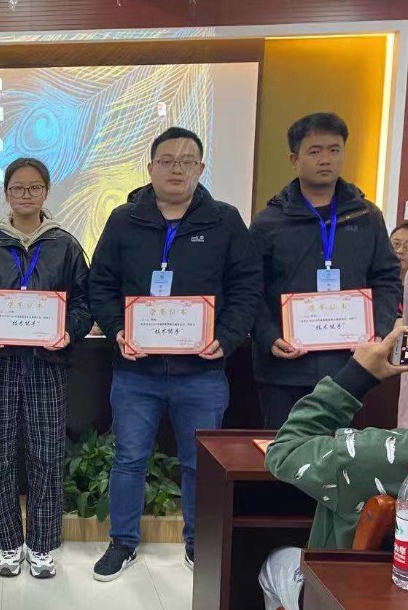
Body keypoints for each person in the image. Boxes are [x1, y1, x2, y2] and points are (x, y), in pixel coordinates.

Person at [89, 127, 262, 580]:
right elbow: (100, 284)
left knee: (198, 462)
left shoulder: (224, 220)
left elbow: (247, 286)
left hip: (201, 371)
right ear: (150, 168)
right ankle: (122, 542)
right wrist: (116, 330)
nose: (176, 168)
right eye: (167, 160)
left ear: (201, 168)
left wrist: (227, 336)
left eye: (187, 161)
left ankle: (197, 542)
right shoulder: (123, 220)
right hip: (136, 370)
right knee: (129, 459)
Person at [0, 158, 92, 578]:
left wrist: (68, 331)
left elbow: (84, 303)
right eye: (18, 188)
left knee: (47, 454)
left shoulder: (66, 246)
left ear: (46, 192)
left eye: (34, 188)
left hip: (48, 364)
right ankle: (8, 543)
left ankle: (42, 545)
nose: (26, 195)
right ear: (6, 193)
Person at [249, 113, 401, 429]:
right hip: (285, 368)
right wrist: (268, 336)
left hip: (350, 367)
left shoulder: (366, 216)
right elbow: (250, 288)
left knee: (341, 453)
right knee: (283, 452)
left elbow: (386, 278)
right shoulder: (268, 222)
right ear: (295, 159)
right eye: (315, 151)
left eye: (334, 150)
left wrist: (378, 331)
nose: (326, 159)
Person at [258, 325, 408, 610]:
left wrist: (357, 375)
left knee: (274, 563)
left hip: (340, 595)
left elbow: (285, 450)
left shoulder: (377, 455)